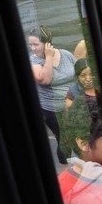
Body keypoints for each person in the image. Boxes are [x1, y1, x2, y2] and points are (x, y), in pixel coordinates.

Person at [28, 26, 76, 165]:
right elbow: (45, 79)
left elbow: (80, 73)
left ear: (47, 42)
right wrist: (48, 57)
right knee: (65, 138)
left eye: (36, 44)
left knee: (79, 135)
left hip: (72, 104)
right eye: (30, 45)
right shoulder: (34, 61)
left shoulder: (66, 55)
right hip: (52, 109)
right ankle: (65, 165)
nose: (33, 48)